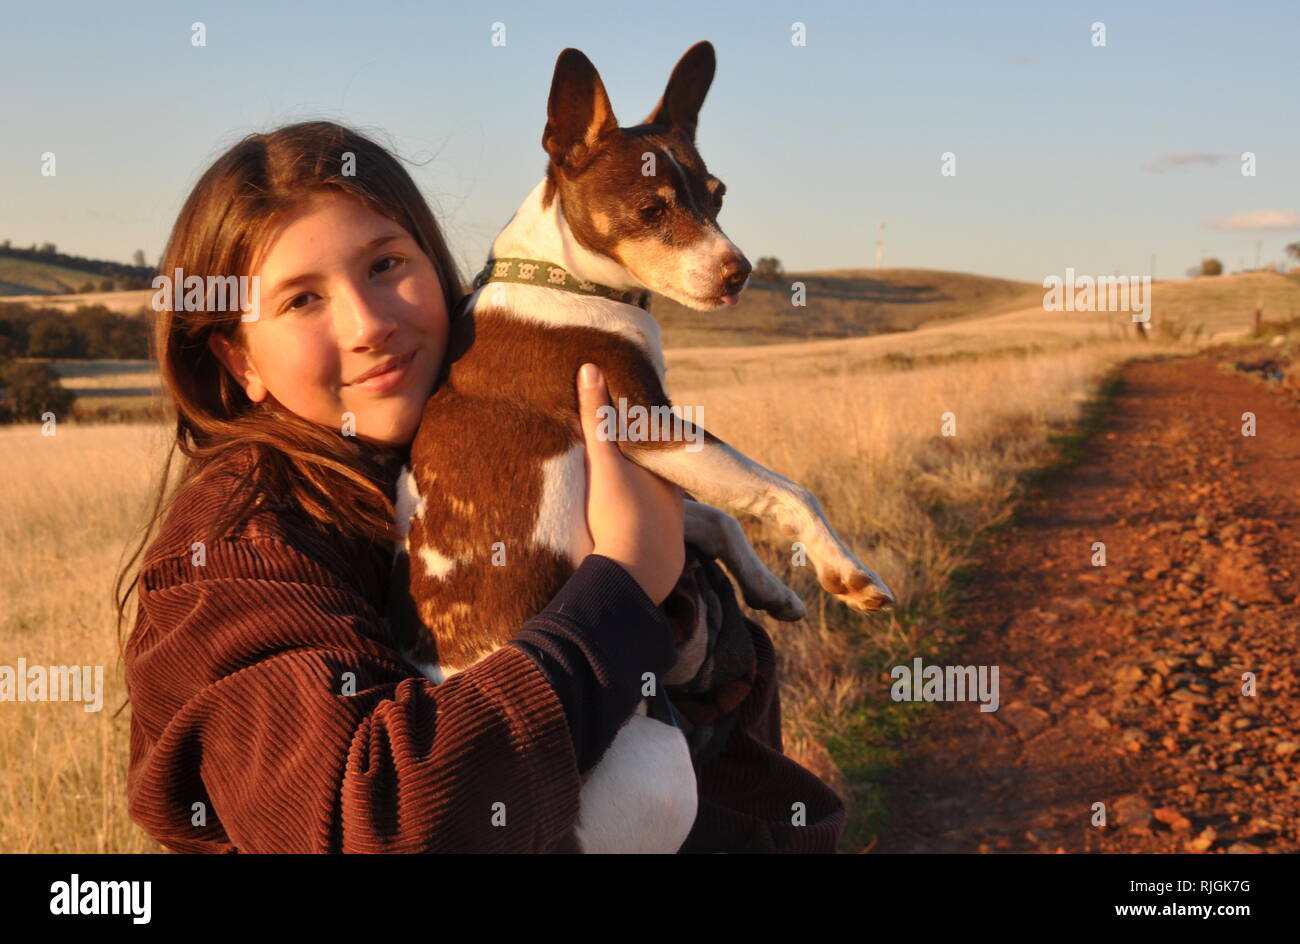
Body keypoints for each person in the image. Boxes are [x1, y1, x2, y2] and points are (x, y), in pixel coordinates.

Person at [115, 120, 846, 853]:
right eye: (301, 300)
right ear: (238, 361)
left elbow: (732, 752)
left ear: (436, 265)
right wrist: (621, 588)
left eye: (385, 265)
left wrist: (691, 626)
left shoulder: (468, 450)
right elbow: (379, 824)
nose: (369, 324)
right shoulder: (237, 561)